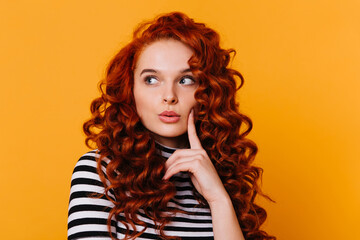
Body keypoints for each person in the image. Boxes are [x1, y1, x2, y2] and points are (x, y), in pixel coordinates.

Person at [67, 12, 275, 240]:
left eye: (186, 80)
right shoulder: (101, 172)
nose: (169, 96)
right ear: (130, 89)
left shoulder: (223, 176)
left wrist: (218, 198)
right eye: (151, 79)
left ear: (208, 92)